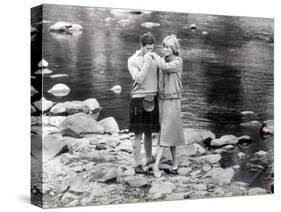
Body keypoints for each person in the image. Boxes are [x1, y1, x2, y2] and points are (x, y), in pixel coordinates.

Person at [146, 34, 185, 177]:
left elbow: (164, 67)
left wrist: (154, 57)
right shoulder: (161, 60)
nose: (165, 49)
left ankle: (156, 166)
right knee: (169, 131)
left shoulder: (178, 62)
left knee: (166, 132)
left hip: (173, 101)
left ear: (174, 48)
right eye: (164, 47)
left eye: (168, 47)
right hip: (161, 101)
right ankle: (175, 162)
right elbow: (155, 72)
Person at [127, 32, 160, 173]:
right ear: (141, 46)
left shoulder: (155, 58)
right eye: (147, 48)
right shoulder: (132, 60)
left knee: (149, 132)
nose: (150, 51)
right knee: (138, 133)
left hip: (152, 97)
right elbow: (138, 79)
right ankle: (137, 164)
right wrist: (147, 62)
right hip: (138, 98)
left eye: (152, 48)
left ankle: (148, 159)